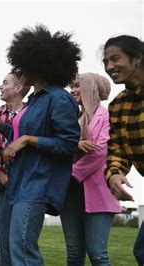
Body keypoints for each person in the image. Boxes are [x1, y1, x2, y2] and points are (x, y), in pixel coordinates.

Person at [0, 25, 81, 264]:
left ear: (38, 65)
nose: (19, 70)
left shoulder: (59, 98)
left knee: (23, 252)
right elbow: (23, 133)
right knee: (7, 251)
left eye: (22, 65)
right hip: (17, 184)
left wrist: (26, 140)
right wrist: (2, 125)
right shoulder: (34, 101)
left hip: (37, 185)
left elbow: (68, 144)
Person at [59, 73, 120, 265]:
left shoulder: (107, 116)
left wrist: (72, 174)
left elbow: (101, 151)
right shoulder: (70, 118)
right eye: (72, 86)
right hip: (70, 193)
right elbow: (61, 146)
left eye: (78, 85)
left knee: (97, 253)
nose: (73, 90)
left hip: (97, 192)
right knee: (74, 253)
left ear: (91, 88)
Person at [102, 35, 144, 264]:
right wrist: (115, 173)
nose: (110, 67)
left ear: (137, 58)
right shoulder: (118, 105)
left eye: (115, 59)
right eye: (106, 62)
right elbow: (116, 147)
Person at [0, 72, 30, 265]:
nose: (0, 87)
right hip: (1, 187)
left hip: (24, 189)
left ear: (18, 88)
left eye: (5, 83)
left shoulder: (30, 115)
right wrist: (0, 174)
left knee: (15, 244)